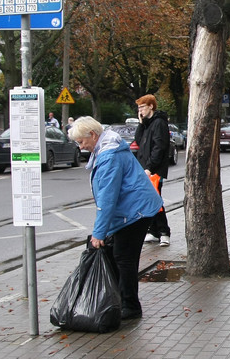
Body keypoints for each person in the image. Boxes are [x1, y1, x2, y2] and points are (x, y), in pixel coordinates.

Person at [68, 116, 162, 321]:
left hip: (137, 211)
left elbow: (108, 198)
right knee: (117, 254)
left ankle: (130, 306)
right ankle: (118, 300)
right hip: (132, 208)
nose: (80, 146)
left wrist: (99, 233)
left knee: (124, 257)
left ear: (93, 135)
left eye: (81, 141)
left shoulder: (109, 155)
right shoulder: (105, 148)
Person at [134, 95, 172, 247]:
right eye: (139, 108)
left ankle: (163, 232)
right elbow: (138, 140)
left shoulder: (159, 123)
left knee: (155, 199)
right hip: (146, 168)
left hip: (153, 170)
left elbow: (159, 147)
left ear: (151, 106)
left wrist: (150, 167)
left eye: (142, 107)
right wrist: (141, 124)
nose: (140, 110)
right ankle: (155, 230)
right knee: (150, 199)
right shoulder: (148, 124)